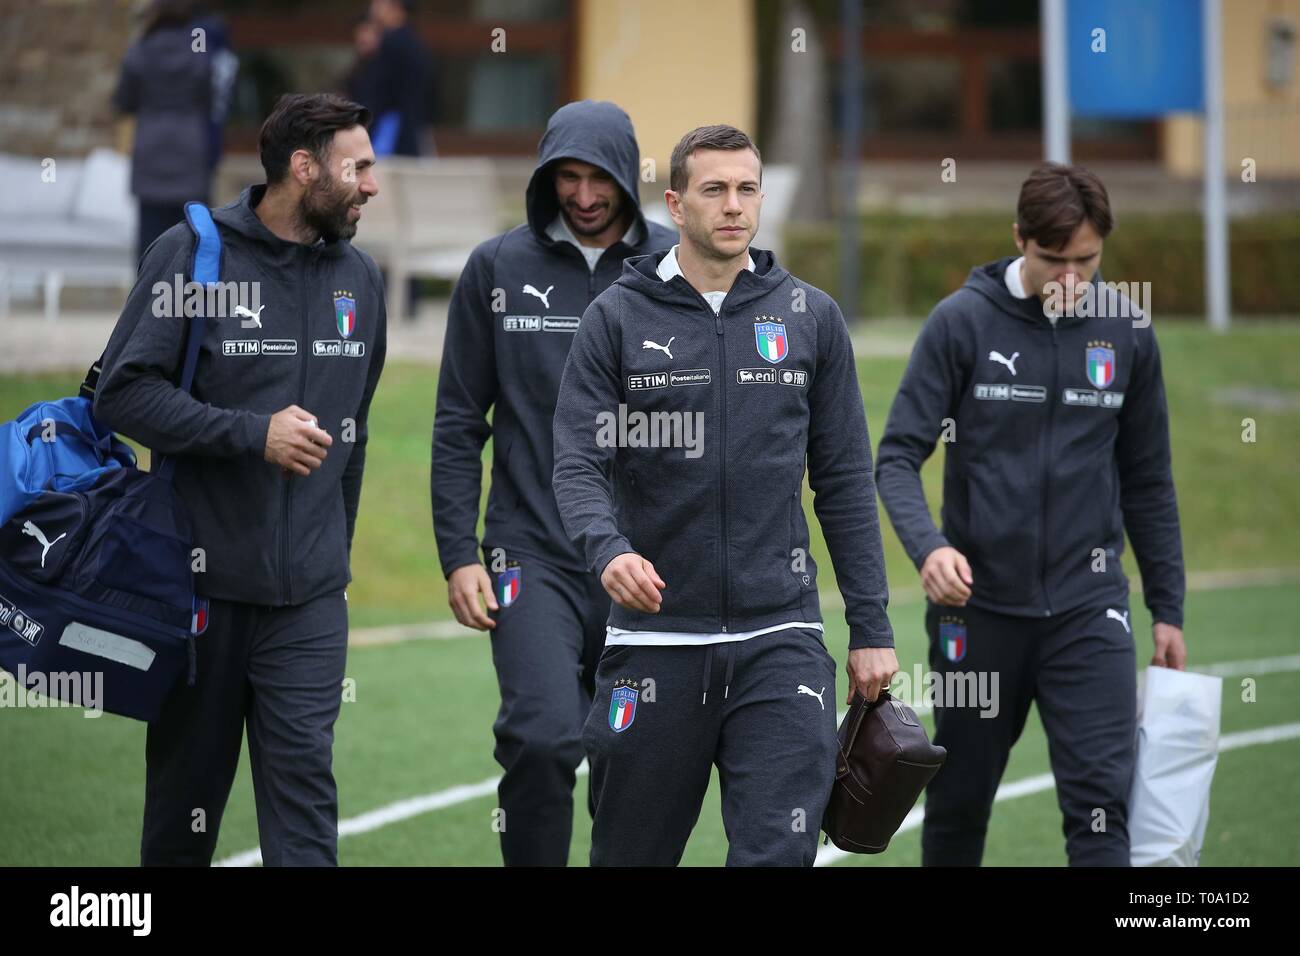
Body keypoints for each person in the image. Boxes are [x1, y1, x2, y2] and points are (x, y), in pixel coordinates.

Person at [551, 125, 897, 867]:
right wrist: (607, 550)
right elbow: (577, 462)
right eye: (714, 190)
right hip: (656, 642)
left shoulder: (811, 318)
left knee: (777, 854)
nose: (734, 206)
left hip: (782, 641)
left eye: (747, 189)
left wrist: (871, 626)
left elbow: (842, 482)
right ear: (676, 204)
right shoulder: (615, 318)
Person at [95, 93, 387, 866]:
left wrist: (333, 559)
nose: (371, 185)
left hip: (310, 605)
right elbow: (122, 392)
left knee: (304, 816)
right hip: (199, 594)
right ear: (303, 169)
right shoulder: (193, 254)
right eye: (357, 167)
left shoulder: (359, 277)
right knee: (183, 818)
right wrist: (252, 434)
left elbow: (351, 434)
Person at [875, 161, 1186, 867]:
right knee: (956, 810)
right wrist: (929, 548)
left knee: (1103, 812)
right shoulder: (961, 323)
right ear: (1020, 239)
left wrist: (1168, 608)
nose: (1073, 278)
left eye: (1088, 260)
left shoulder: (1127, 330)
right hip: (976, 615)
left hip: (1090, 609)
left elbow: (1149, 481)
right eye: (1055, 260)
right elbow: (895, 457)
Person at [431, 100, 676, 867]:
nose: (583, 196)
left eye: (598, 178)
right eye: (565, 178)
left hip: (648, 562)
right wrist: (457, 551)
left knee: (632, 754)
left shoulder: (675, 266)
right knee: (541, 738)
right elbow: (456, 421)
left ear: (627, 178)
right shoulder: (497, 268)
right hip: (528, 553)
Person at [113, 0, 213, 260]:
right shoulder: (199, 53)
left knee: (150, 242)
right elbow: (211, 99)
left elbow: (123, 101)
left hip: (151, 150)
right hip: (190, 150)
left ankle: (150, 298)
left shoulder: (139, 52)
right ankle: (191, 299)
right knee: (195, 240)